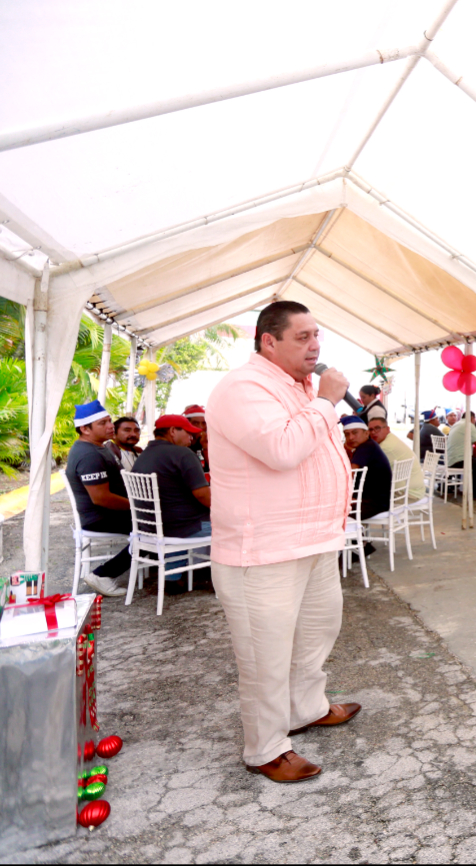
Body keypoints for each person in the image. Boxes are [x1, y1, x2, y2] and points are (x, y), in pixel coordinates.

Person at [206, 300, 360, 784]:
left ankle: (306, 708)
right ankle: (266, 747)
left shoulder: (302, 389)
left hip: (312, 541)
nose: (315, 346)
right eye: (302, 337)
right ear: (267, 340)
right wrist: (327, 403)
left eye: (317, 336)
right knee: (265, 655)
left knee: (317, 632)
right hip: (263, 551)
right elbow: (282, 449)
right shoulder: (242, 388)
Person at [131, 414, 212, 595]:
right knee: (234, 526)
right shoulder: (183, 454)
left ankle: (173, 578)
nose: (193, 438)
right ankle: (228, 579)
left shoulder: (144, 455)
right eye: (189, 432)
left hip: (149, 529)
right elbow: (203, 495)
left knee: (180, 515)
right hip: (180, 529)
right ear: (173, 431)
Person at [65, 400, 133, 597]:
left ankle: (148, 561)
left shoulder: (99, 447)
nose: (111, 426)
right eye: (103, 423)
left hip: (112, 514)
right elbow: (101, 498)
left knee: (162, 524)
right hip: (101, 518)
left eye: (109, 421)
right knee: (158, 529)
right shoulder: (88, 455)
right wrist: (136, 507)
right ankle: (102, 574)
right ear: (85, 429)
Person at [368, 415, 425, 503]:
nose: (373, 432)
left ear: (387, 429)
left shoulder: (386, 447)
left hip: (406, 495)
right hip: (414, 490)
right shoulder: (389, 439)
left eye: (377, 428)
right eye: (370, 429)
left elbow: (369, 472)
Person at [446, 409, 476, 498]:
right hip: (459, 460)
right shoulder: (469, 425)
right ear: (472, 418)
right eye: (475, 420)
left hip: (451, 459)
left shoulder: (457, 424)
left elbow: (472, 438)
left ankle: (473, 490)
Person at [183, 404, 209, 470]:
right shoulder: (180, 441)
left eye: (204, 423)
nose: (201, 427)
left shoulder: (211, 440)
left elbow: (214, 467)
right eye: (196, 423)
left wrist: (205, 445)